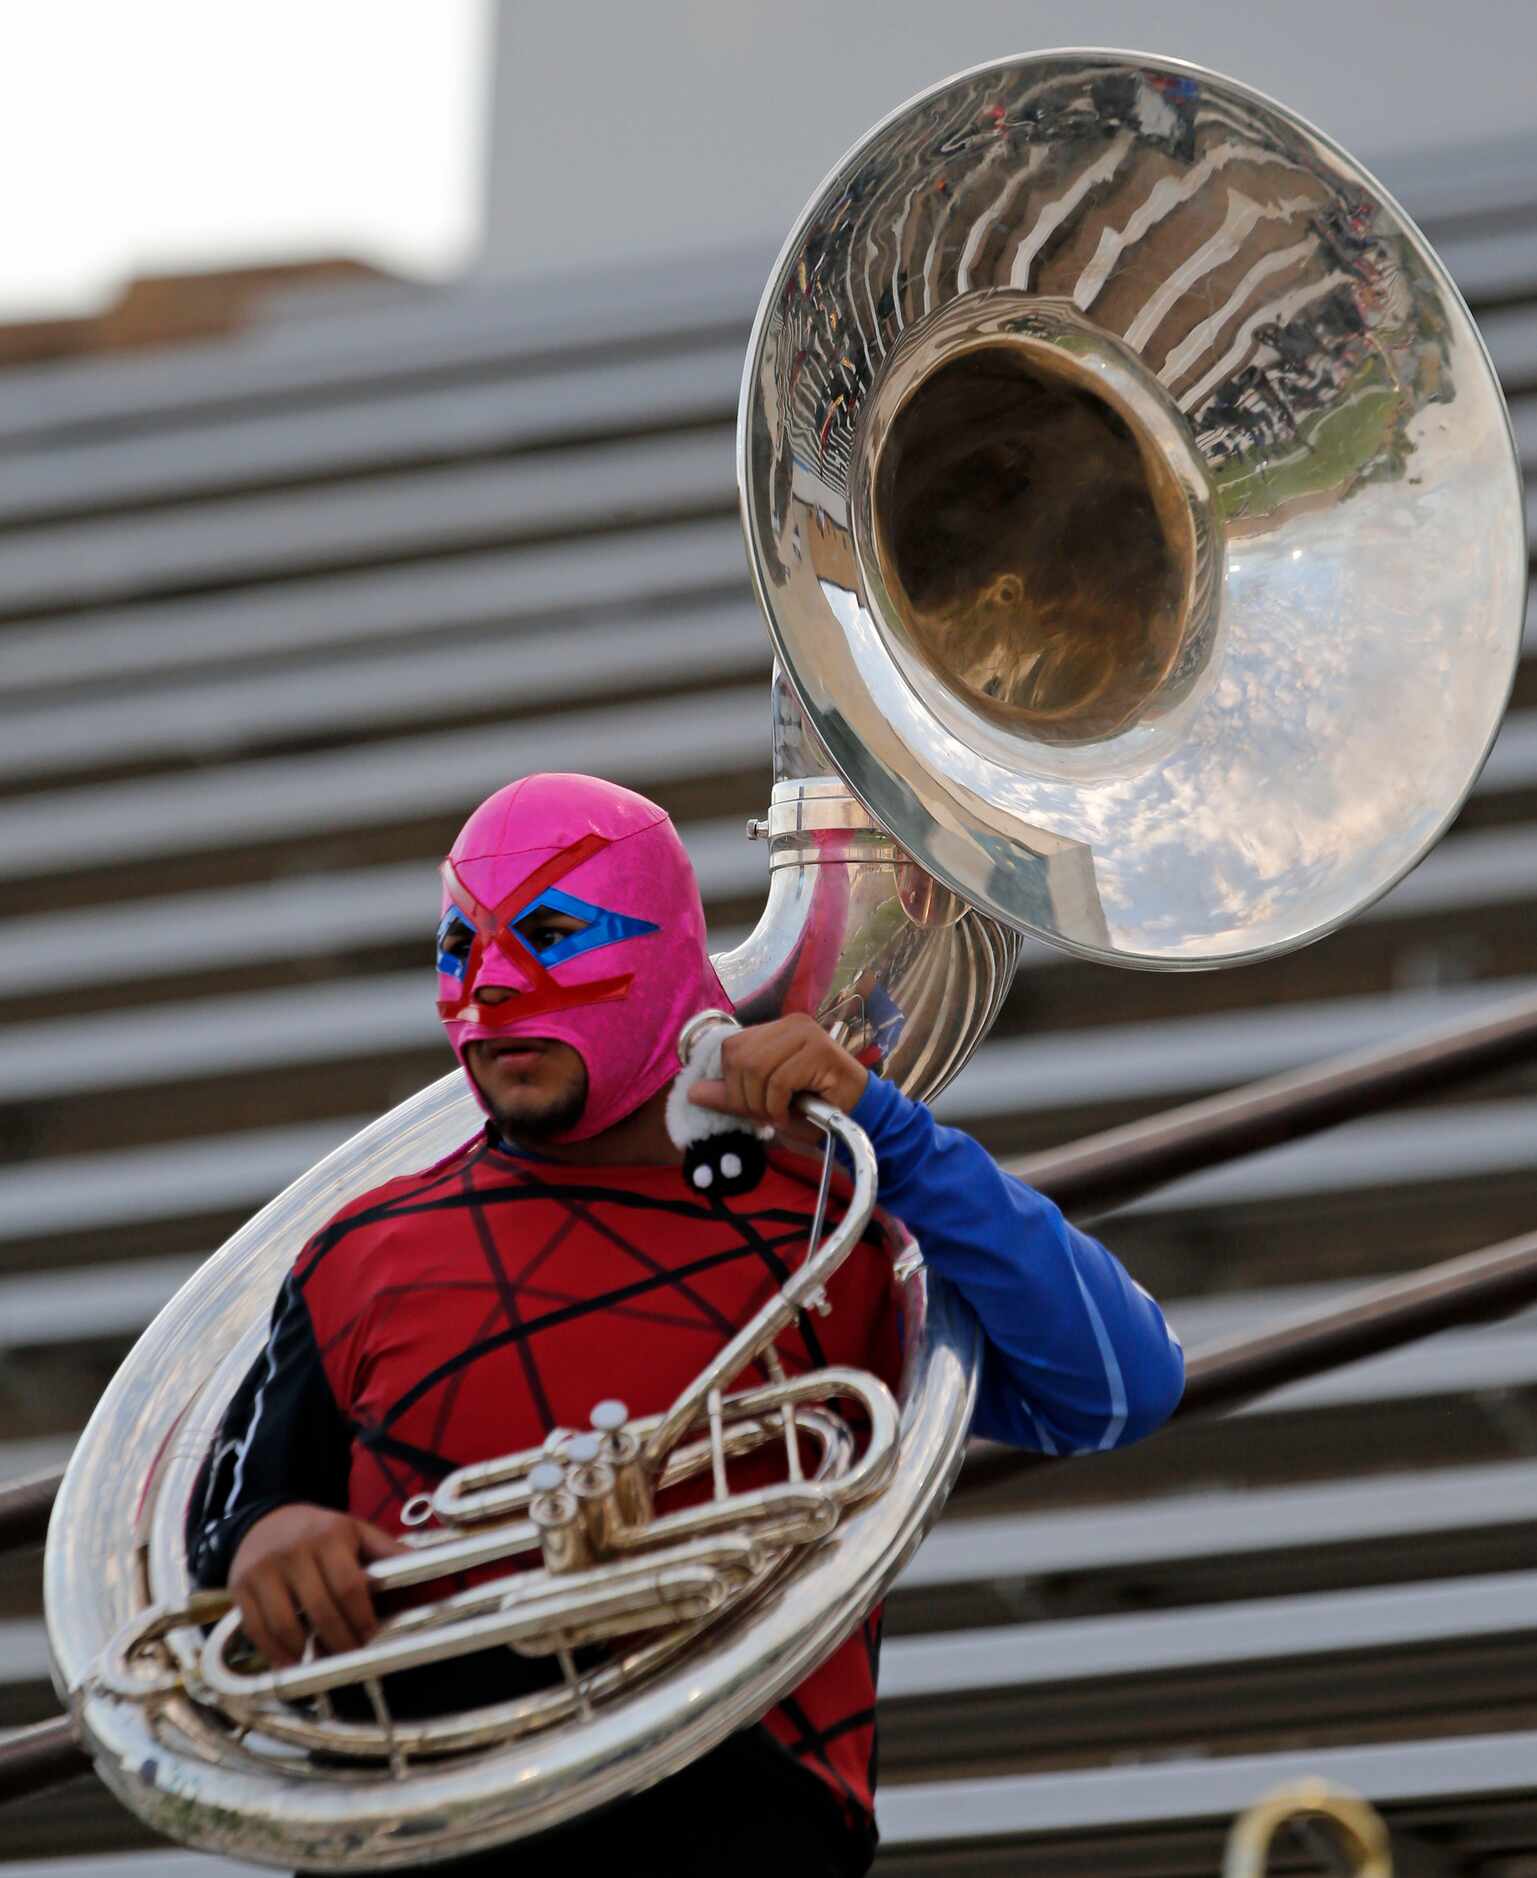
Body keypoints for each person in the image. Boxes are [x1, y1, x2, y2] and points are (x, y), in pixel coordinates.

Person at [187, 772, 1184, 1878]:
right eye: (459, 944)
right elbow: (229, 1529)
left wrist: (890, 1134)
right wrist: (265, 1540)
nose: (495, 988)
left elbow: (1118, 1386)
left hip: (737, 1809)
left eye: (552, 933)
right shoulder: (353, 1246)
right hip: (412, 1813)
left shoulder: (839, 1220)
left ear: (663, 945)